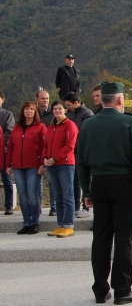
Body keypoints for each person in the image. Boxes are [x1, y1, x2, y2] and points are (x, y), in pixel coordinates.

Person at [77, 82, 132, 305]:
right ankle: (122, 289)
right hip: (124, 184)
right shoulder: (129, 122)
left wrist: (86, 190)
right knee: (124, 237)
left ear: (102, 99)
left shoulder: (88, 124)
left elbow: (80, 161)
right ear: (120, 100)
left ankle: (100, 289)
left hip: (99, 183)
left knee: (100, 237)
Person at [7, 102, 47, 234]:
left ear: (35, 112)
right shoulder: (16, 128)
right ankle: (26, 222)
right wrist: (9, 164)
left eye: (31, 109)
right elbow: (11, 147)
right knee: (22, 196)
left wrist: (42, 163)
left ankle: (35, 222)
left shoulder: (40, 127)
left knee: (32, 195)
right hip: (18, 166)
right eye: (26, 109)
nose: (29, 111)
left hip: (33, 166)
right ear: (22, 111)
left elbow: (44, 147)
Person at [41, 101, 78, 238]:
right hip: (52, 165)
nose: (57, 111)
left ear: (65, 110)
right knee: (58, 196)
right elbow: (45, 144)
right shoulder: (51, 127)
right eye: (55, 109)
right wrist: (45, 158)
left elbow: (70, 146)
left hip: (65, 164)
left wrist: (55, 158)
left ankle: (68, 225)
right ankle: (60, 224)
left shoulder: (70, 125)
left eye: (60, 109)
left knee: (67, 194)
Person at [63, 92, 94, 218]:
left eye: (69, 105)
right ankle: (76, 206)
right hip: (72, 152)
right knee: (75, 180)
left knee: (85, 180)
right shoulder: (70, 115)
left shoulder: (87, 114)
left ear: (76, 102)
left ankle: (86, 206)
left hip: (84, 152)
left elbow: (88, 134)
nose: (67, 108)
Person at [36, 89, 56, 217]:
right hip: (35, 150)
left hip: (50, 150)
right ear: (37, 99)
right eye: (43, 98)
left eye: (47, 98)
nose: (46, 100)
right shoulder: (33, 113)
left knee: (52, 180)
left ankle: (53, 206)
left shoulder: (52, 114)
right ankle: (37, 206)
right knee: (37, 181)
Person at [0, 91, 15, 215]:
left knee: (7, 179)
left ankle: (9, 205)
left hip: (3, 151)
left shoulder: (7, 115)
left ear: (2, 100)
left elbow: (9, 131)